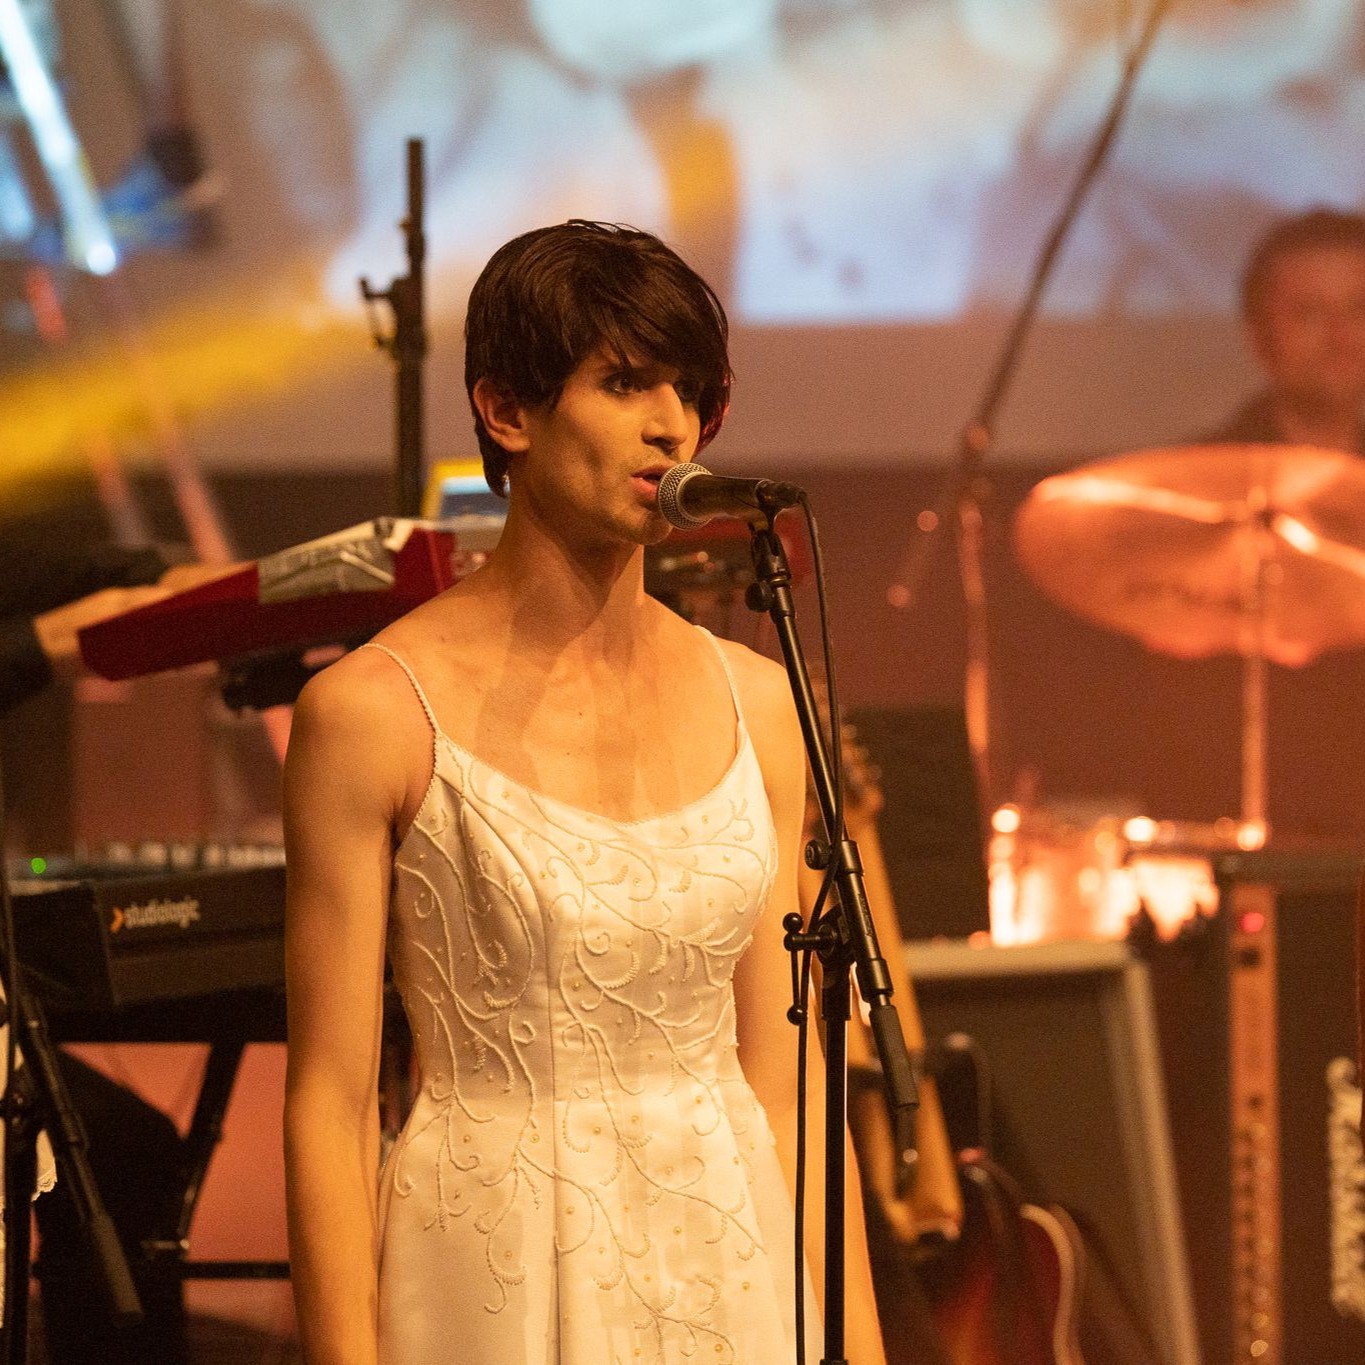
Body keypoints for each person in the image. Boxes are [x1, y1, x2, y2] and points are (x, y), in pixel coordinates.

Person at [283, 220, 889, 1363]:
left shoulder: (759, 701)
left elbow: (792, 1083)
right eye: (622, 382)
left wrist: (856, 1345)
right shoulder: (371, 711)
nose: (670, 423)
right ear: (508, 412)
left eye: (690, 390)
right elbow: (327, 1101)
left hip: (727, 1264)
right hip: (495, 1265)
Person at [1209, 207, 1365, 456]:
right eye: (1310, 314)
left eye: (1358, 310)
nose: (1341, 337)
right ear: (1259, 335)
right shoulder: (1194, 481)